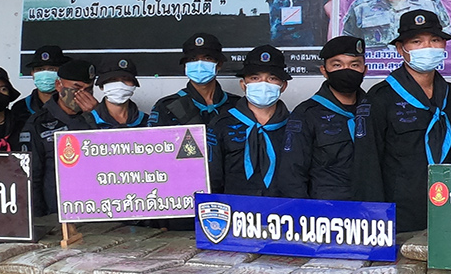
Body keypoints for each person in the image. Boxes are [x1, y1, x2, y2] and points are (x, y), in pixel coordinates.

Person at [367, 10, 451, 232]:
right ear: (400, 49)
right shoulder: (380, 97)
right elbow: (368, 163)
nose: (428, 48)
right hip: (400, 215)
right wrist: (375, 218)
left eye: (435, 40)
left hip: (450, 208)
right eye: (417, 41)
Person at [278, 36, 381, 201]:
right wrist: (306, 216)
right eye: (337, 65)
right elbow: (292, 175)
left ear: (365, 69)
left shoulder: (377, 108)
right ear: (324, 70)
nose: (346, 70)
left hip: (372, 208)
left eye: (354, 65)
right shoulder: (306, 114)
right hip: (327, 212)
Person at [210, 46, 292, 197]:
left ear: (283, 86)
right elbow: (213, 179)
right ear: (243, 85)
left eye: (272, 78)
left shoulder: (296, 125)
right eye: (255, 78)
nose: (263, 84)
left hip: (283, 212)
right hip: (235, 212)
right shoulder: (221, 124)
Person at [21, 58, 98, 216]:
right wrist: (39, 220)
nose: (82, 95)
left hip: (96, 209)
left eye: (88, 90)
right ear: (58, 85)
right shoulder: (38, 123)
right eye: (76, 88)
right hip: (56, 214)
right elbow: (31, 178)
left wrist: (95, 116)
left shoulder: (96, 117)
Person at [149, 34, 233, 127]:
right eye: (193, 59)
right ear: (185, 65)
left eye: (207, 58)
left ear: (219, 64)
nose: (200, 64)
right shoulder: (166, 107)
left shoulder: (236, 105)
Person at [89, 58, 149, 128]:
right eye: (112, 80)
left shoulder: (147, 122)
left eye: (126, 79)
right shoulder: (87, 122)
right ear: (101, 86)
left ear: (134, 84)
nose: (120, 84)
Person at [14, 45, 67, 117]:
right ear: (32, 73)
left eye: (52, 69)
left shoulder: (72, 105)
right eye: (40, 69)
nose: (45, 74)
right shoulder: (20, 108)